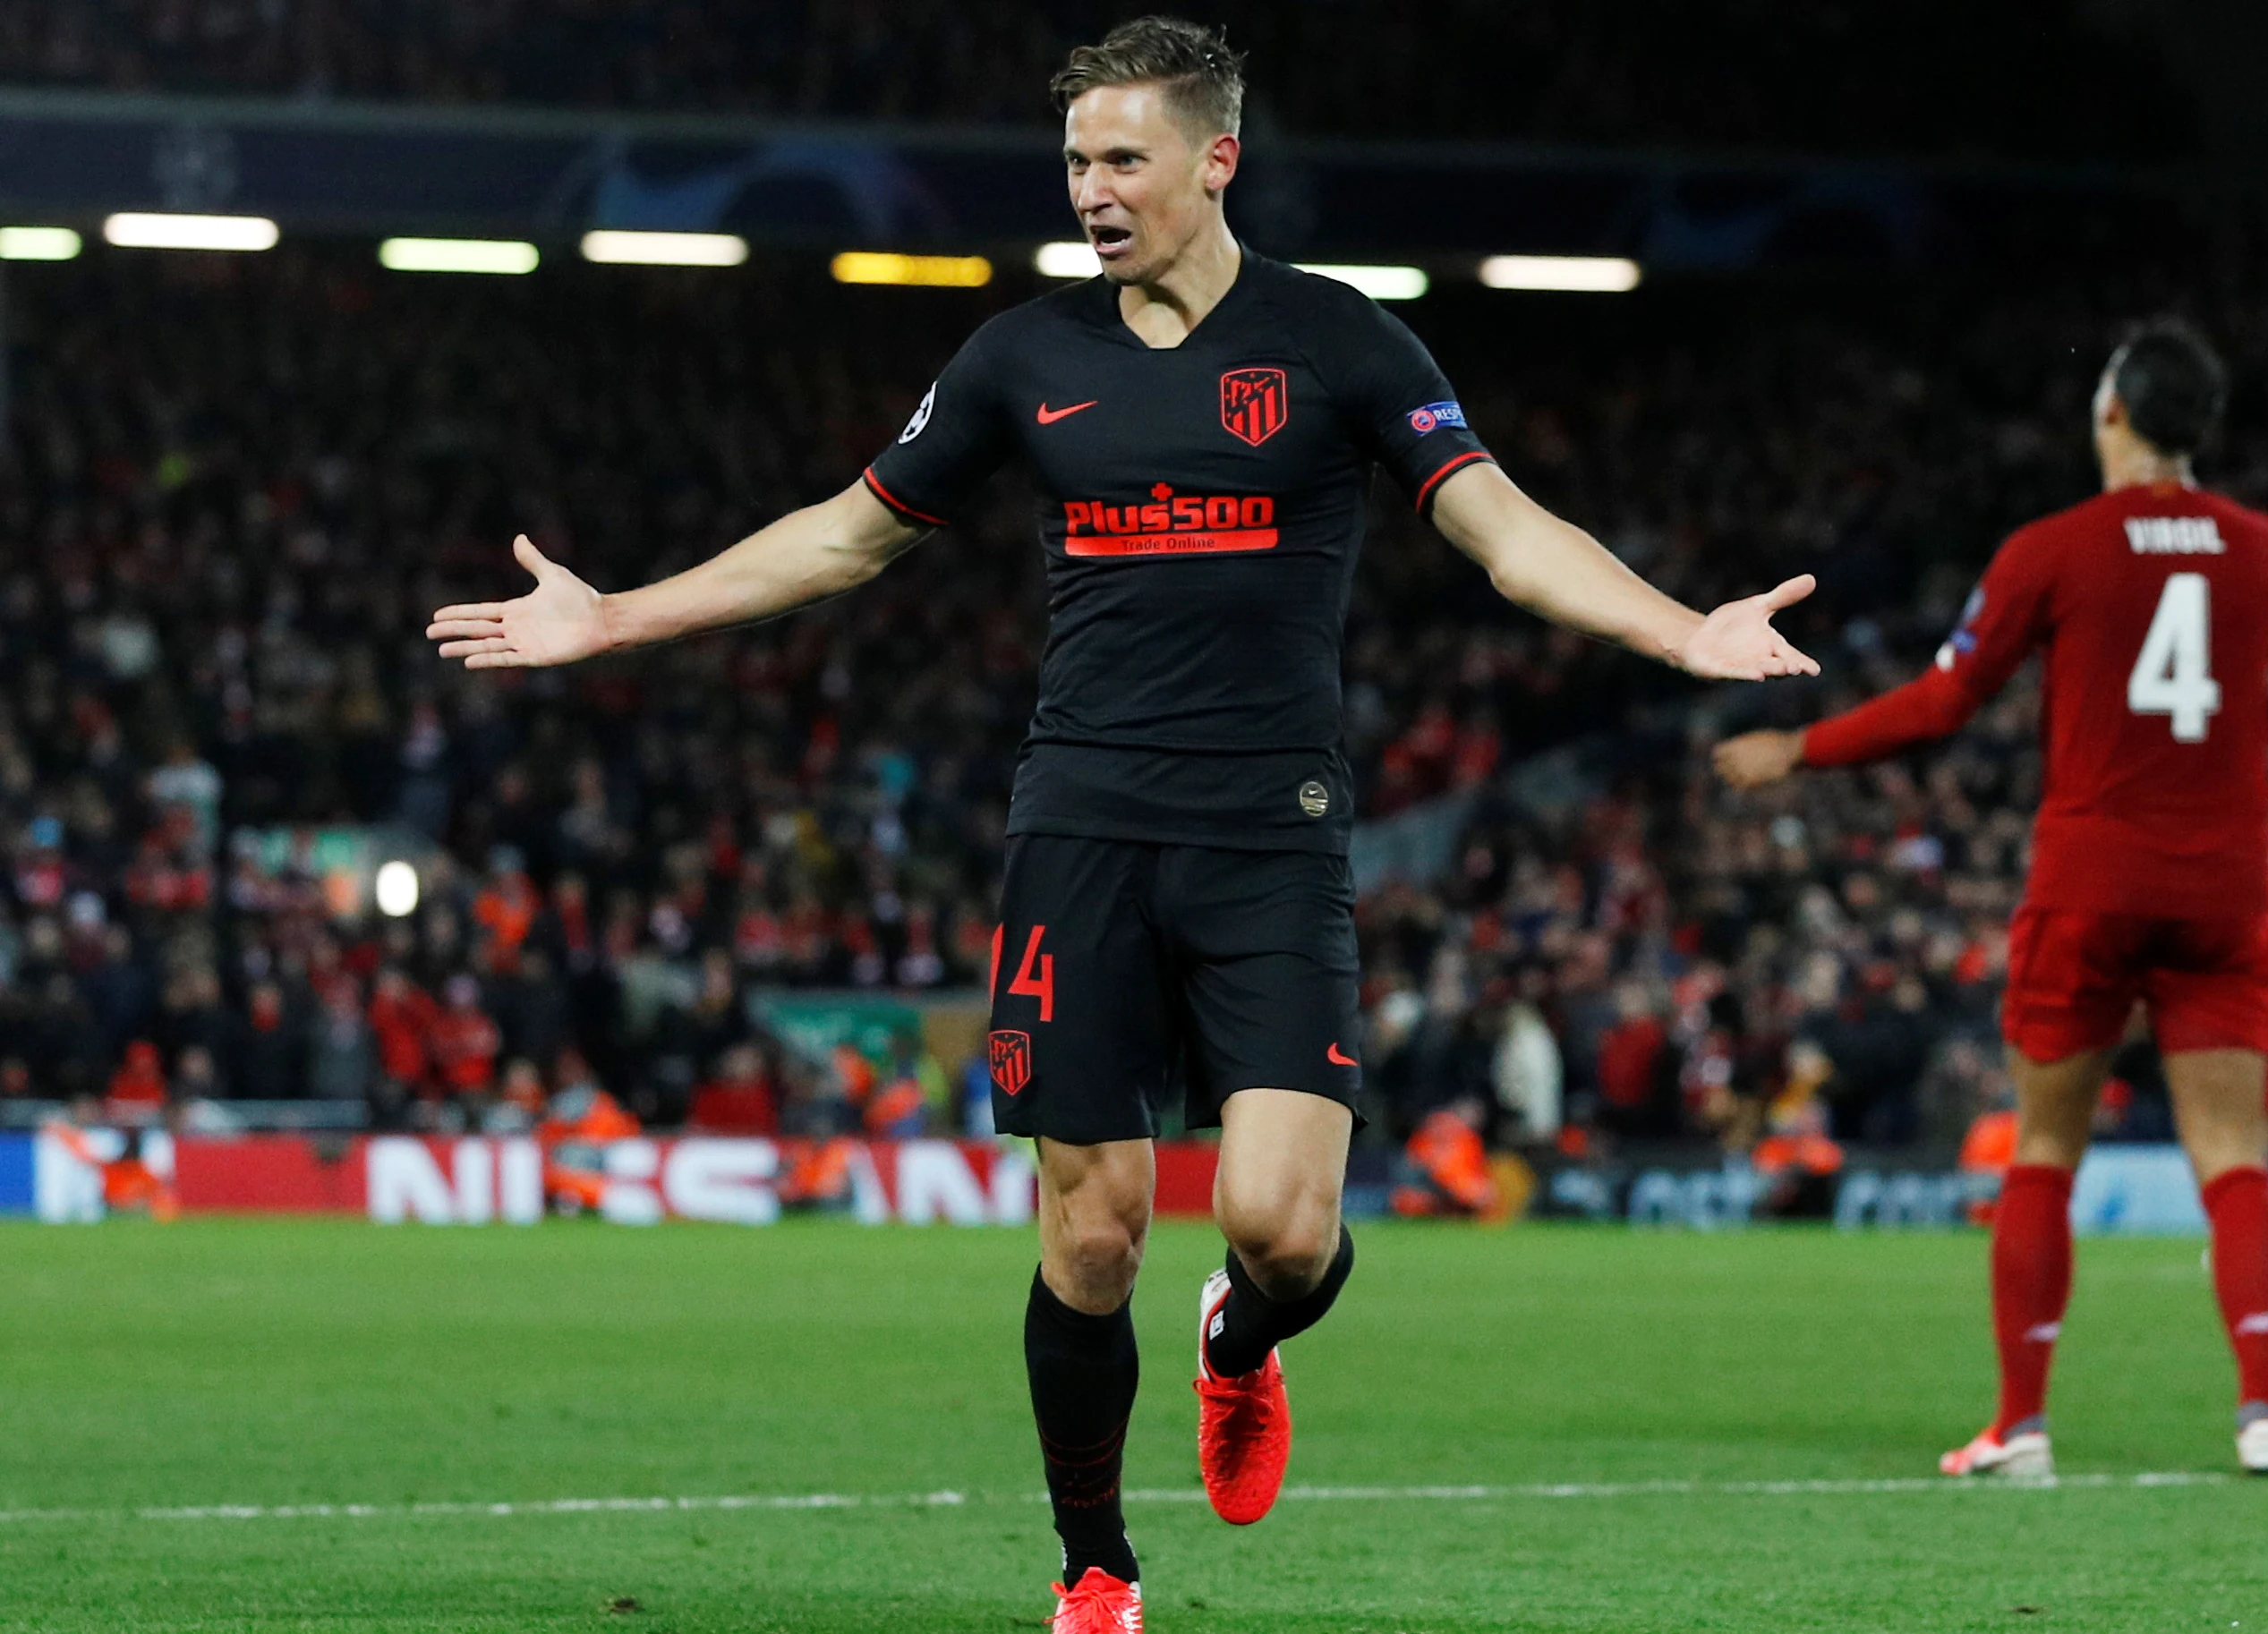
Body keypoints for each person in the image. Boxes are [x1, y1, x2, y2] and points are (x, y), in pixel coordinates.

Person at [426, 18, 1816, 1630]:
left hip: (1271, 836)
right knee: (1091, 1235)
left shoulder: (1344, 346)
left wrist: (1677, 632)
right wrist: (621, 619)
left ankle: (1243, 1341)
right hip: (1078, 827)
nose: (1092, 190)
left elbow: (1508, 536)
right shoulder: (1025, 358)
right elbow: (844, 537)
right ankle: (1094, 1565)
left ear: (1214, 161)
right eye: (1078, 160)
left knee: (1282, 1229)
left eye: (1123, 159)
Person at [1716, 319, 2268, 1480]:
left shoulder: (2054, 547)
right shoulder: (2265, 548)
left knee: (2041, 1150)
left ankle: (2018, 1425)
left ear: (2112, 413)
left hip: (2088, 882)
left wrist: (1801, 750)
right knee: (2233, 1158)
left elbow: (1944, 700)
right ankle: (2264, 1411)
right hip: (2223, 887)